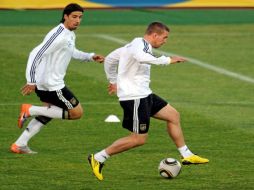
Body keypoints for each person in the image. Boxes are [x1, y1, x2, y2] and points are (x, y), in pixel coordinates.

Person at [88, 22, 209, 181]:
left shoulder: (131, 45)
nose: (165, 41)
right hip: (135, 98)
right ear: (154, 35)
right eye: (164, 37)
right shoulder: (140, 45)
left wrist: (113, 81)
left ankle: (187, 155)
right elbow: (142, 57)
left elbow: (110, 59)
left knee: (173, 116)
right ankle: (99, 157)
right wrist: (168, 60)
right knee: (138, 139)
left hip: (145, 94)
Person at [10, 3, 104, 154]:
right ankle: (29, 109)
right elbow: (36, 54)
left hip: (49, 83)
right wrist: (31, 80)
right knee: (76, 113)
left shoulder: (69, 33)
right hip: (51, 85)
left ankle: (19, 144)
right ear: (65, 16)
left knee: (50, 112)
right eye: (74, 17)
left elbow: (71, 51)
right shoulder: (58, 35)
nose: (78, 20)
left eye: (80, 17)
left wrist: (90, 57)